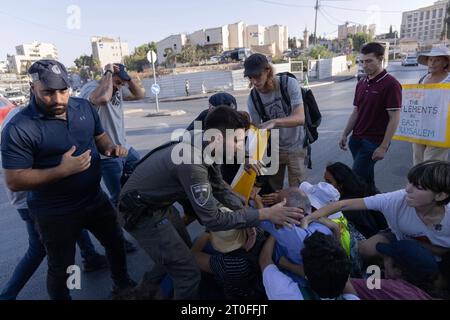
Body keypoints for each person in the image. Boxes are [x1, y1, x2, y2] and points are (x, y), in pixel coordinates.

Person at [118, 106, 304, 299]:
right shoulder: (192, 161)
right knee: (188, 273)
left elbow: (219, 188)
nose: (242, 148)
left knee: (182, 252)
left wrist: (248, 218)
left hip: (158, 204)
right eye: (237, 141)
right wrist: (263, 214)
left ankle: (145, 291)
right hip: (140, 213)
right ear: (217, 139)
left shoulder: (205, 142)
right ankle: (143, 294)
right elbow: (213, 219)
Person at [1, 60, 135, 300]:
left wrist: (111, 149)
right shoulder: (20, 128)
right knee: (61, 268)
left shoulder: (83, 107)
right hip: (54, 212)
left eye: (63, 91)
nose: (58, 99)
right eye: (48, 93)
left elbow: (100, 137)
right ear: (33, 88)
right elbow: (15, 180)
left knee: (116, 243)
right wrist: (62, 170)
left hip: (94, 199)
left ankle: (122, 286)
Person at [0, 107, 108, 300]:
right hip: (34, 201)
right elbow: (18, 177)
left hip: (59, 200)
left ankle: (90, 256)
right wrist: (64, 170)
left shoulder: (29, 116)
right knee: (39, 248)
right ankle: (8, 294)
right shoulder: (21, 123)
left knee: (74, 222)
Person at [302, 160, 450, 265]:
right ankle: (378, 277)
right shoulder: (398, 199)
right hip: (398, 240)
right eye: (409, 182)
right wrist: (309, 218)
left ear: (440, 196)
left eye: (418, 187)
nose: (407, 189)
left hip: (439, 257)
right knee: (365, 249)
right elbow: (343, 204)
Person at [79, 63, 145, 208]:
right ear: (107, 76)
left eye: (121, 84)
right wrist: (108, 73)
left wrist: (128, 79)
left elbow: (140, 94)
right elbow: (102, 99)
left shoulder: (118, 89)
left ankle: (136, 211)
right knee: (118, 195)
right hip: (107, 154)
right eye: (117, 82)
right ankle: (119, 224)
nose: (119, 86)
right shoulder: (91, 88)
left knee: (140, 177)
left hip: (125, 148)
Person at [339, 42, 402, 187]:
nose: (364, 65)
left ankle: (356, 208)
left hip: (373, 143)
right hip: (356, 140)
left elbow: (395, 117)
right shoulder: (361, 83)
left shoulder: (391, 84)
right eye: (362, 61)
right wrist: (345, 134)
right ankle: (374, 207)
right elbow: (356, 111)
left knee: (355, 181)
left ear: (380, 59)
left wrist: (383, 147)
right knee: (366, 181)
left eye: (369, 61)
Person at [245, 53, 306, 190]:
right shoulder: (253, 98)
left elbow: (300, 118)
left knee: (296, 193)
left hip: (295, 146)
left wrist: (275, 122)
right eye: (250, 77)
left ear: (268, 71)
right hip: (273, 151)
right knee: (273, 193)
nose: (254, 81)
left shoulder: (288, 83)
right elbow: (255, 132)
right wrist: (248, 156)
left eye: (257, 76)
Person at [259, 233, 359, 300]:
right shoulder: (347, 290)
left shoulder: (288, 294)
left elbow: (264, 260)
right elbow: (344, 279)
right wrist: (335, 230)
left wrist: (275, 232)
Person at [351, 240, 439, 300]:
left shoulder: (394, 288)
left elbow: (344, 283)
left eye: (384, 259)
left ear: (398, 270)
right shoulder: (426, 290)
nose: (383, 264)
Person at [324, 162, 388, 238]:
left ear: (341, 184)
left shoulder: (346, 207)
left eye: (328, 182)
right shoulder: (364, 188)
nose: (324, 185)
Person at [412, 47, 450, 165]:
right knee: (418, 162)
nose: (432, 63)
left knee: (431, 164)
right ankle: (416, 184)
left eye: (437, 60)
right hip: (420, 127)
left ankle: (428, 184)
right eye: (430, 60)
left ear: (445, 62)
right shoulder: (423, 79)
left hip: (441, 129)